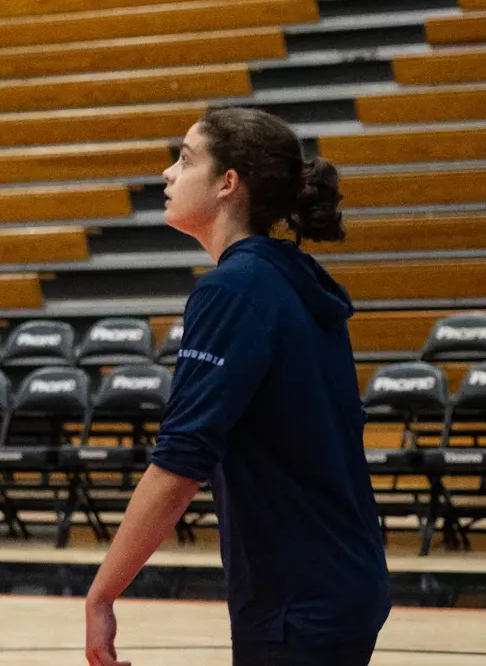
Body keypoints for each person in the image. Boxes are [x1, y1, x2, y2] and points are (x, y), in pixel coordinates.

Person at [84, 106, 391, 666]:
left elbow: (181, 460)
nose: (167, 174)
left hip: (298, 599)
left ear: (228, 183)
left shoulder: (234, 288)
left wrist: (102, 593)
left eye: (185, 160)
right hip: (341, 580)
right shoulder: (293, 277)